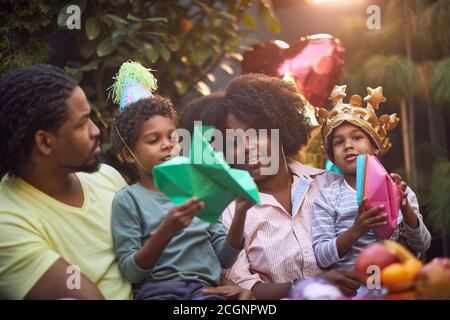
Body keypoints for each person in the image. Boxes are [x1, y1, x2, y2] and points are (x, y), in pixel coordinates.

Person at [180, 74, 362, 299]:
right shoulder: (227, 215)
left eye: (256, 132)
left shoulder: (329, 184)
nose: (247, 147)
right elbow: (245, 289)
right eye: (233, 141)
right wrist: (311, 284)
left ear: (280, 127)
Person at [110, 61, 253, 300]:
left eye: (171, 137)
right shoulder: (128, 200)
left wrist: (239, 215)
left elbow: (224, 258)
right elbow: (131, 272)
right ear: (128, 154)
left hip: (206, 292)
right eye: (153, 140)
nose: (167, 145)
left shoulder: (198, 189)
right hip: (158, 293)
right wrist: (165, 231)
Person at [0, 64, 132, 299]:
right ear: (45, 143)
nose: (95, 131)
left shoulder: (107, 177)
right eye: (81, 124)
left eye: (90, 117)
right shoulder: (8, 222)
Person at [312, 85, 431, 270]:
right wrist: (357, 229)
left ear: (376, 146)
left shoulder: (400, 190)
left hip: (395, 287)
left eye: (357, 138)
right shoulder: (327, 198)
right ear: (331, 156)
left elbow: (422, 245)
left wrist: (405, 207)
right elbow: (321, 257)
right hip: (350, 292)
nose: (348, 145)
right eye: (339, 142)